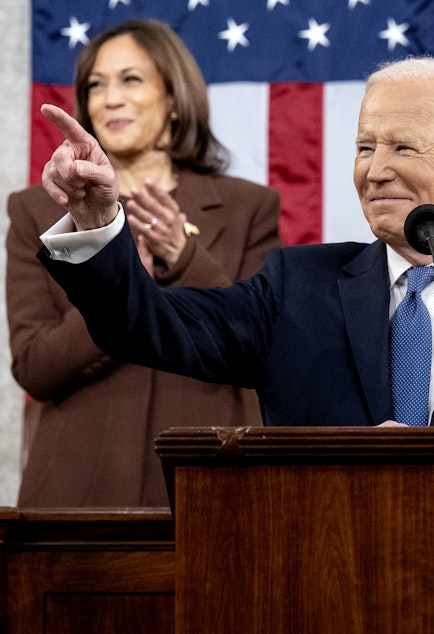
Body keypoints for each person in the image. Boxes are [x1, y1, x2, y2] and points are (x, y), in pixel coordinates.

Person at [34, 57, 434, 433]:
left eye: (404, 148)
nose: (376, 170)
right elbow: (146, 326)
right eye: (366, 148)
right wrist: (97, 220)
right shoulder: (296, 288)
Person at [7, 19, 281, 507]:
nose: (110, 98)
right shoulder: (37, 209)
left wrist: (184, 256)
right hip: (78, 493)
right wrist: (114, 272)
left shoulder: (248, 208)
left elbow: (261, 351)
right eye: (97, 84)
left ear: (173, 97)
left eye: (131, 79)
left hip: (212, 488)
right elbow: (35, 368)